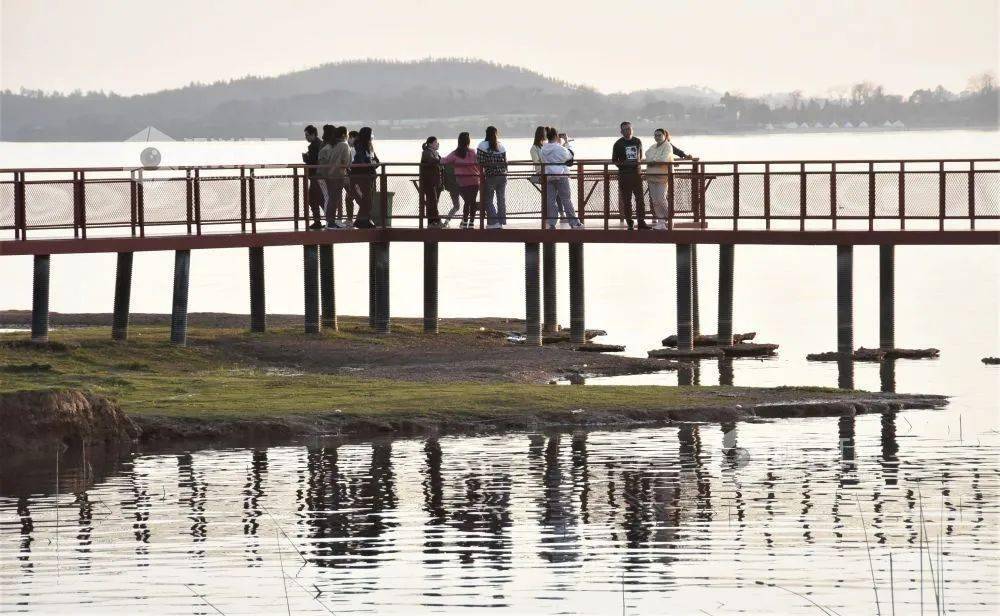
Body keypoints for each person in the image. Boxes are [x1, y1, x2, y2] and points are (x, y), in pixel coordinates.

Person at [539, 127, 582, 229]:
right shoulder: (560, 148)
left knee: (551, 201)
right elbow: (570, 155)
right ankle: (574, 223)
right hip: (561, 176)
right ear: (555, 136)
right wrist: (566, 141)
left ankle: (552, 223)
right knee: (566, 199)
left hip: (548, 176)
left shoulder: (543, 149)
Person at [612, 121, 649, 230]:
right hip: (624, 175)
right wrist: (624, 165)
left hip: (637, 174)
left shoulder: (637, 141)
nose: (627, 131)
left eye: (628, 129)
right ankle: (629, 222)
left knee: (640, 199)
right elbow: (614, 160)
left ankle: (641, 221)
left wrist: (636, 165)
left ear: (632, 129)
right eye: (624, 130)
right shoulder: (618, 144)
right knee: (627, 200)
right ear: (621, 131)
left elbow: (640, 156)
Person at [441, 132, 482, 229]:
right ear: (468, 141)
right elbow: (479, 163)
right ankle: (471, 223)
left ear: (459, 141)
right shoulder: (472, 152)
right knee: (472, 202)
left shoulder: (455, 153)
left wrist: (436, 158)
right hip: (474, 180)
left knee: (467, 202)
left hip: (462, 181)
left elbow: (444, 161)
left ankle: (464, 222)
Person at [530, 125, 566, 224]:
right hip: (543, 173)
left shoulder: (546, 146)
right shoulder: (534, 148)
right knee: (550, 196)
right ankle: (551, 216)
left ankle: (559, 215)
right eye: (545, 132)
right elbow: (537, 162)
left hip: (550, 172)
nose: (546, 134)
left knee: (555, 194)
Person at [318, 125, 352, 229]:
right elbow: (346, 161)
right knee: (334, 198)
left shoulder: (333, 145)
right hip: (338, 175)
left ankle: (330, 221)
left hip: (330, 175)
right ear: (343, 135)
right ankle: (331, 221)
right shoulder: (344, 145)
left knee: (332, 198)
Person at [476, 126, 507, 229]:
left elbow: (479, 161)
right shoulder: (501, 146)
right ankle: (501, 221)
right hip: (502, 176)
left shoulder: (482, 145)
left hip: (490, 176)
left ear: (486, 133)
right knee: (501, 199)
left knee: (487, 199)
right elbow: (505, 162)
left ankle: (493, 222)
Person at [349, 127, 380, 228]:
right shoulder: (359, 146)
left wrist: (374, 163)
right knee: (366, 200)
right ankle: (362, 220)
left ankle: (361, 220)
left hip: (369, 176)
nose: (372, 137)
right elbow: (360, 161)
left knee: (368, 200)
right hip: (360, 176)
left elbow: (376, 160)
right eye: (370, 134)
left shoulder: (369, 146)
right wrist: (370, 163)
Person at [644, 128, 674, 229]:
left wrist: (653, 161)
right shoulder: (652, 146)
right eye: (655, 135)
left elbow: (664, 159)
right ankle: (660, 221)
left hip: (663, 176)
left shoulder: (668, 146)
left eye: (659, 135)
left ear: (665, 135)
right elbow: (647, 156)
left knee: (661, 198)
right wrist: (654, 160)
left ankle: (669, 218)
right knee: (655, 200)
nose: (657, 137)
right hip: (651, 176)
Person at [301, 124, 325, 229]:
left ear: (313, 134)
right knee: (318, 199)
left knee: (314, 199)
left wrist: (305, 158)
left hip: (316, 176)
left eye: (307, 135)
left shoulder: (314, 146)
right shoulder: (321, 144)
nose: (306, 137)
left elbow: (313, 161)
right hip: (320, 176)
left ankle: (320, 221)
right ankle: (326, 220)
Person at [419, 136, 445, 228]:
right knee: (432, 202)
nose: (437, 144)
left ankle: (432, 222)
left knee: (434, 202)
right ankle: (435, 221)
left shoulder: (436, 153)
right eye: (435, 142)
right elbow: (431, 161)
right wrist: (441, 160)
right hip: (429, 181)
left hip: (436, 181)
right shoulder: (426, 152)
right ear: (430, 144)